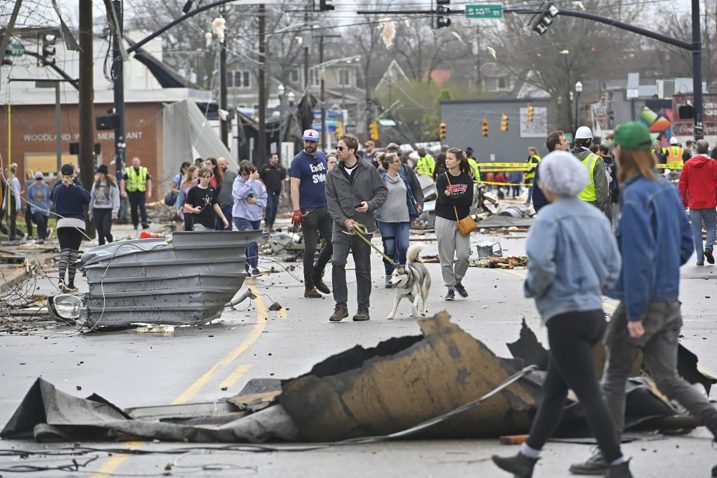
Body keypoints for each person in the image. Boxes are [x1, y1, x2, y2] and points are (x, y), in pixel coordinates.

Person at [571, 122, 717, 477]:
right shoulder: (663, 189)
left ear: (623, 153)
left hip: (643, 302)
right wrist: (665, 271)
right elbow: (685, 241)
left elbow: (636, 261)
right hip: (668, 298)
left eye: (616, 149)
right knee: (668, 378)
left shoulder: (635, 195)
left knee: (615, 374)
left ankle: (608, 453)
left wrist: (634, 312)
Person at [492, 151, 631, 478]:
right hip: (593, 313)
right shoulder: (597, 218)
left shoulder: (549, 219)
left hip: (564, 315)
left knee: (588, 393)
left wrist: (533, 288)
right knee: (554, 390)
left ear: (549, 184)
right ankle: (527, 458)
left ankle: (618, 464)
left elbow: (540, 264)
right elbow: (613, 267)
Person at [325, 134, 387, 322]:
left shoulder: (369, 170)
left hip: (364, 225)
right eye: (337, 148)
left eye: (341, 148)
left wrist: (370, 205)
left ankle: (363, 308)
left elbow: (382, 191)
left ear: (352, 151)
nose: (337, 151)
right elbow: (331, 202)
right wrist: (344, 221)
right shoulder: (332, 174)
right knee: (337, 263)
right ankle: (340, 307)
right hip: (341, 227)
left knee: (362, 267)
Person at [290, 129, 333, 298]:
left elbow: (327, 180)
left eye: (312, 142)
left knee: (333, 242)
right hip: (308, 210)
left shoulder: (322, 156)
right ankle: (309, 287)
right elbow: (294, 186)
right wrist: (296, 210)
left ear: (317, 142)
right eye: (306, 141)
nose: (309, 145)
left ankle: (317, 273)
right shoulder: (298, 161)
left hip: (324, 208)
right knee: (310, 248)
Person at [375, 152, 419, 288]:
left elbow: (409, 198)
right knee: (389, 249)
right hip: (385, 220)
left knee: (404, 246)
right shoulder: (381, 179)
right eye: (396, 161)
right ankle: (389, 274)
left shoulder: (403, 178)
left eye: (399, 161)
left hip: (403, 219)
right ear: (390, 165)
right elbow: (375, 198)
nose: (399, 163)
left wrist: (413, 215)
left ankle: (401, 274)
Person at [435, 148, 474, 301]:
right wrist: (457, 198)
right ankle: (450, 288)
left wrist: (451, 196)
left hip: (463, 220)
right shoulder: (442, 179)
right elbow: (443, 201)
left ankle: (457, 280)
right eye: (446, 158)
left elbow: (468, 201)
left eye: (450, 158)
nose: (447, 161)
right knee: (447, 258)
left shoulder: (466, 179)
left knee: (464, 255)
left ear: (458, 161)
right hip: (444, 220)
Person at [51, 164, 90, 292]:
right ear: (74, 174)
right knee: (73, 254)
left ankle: (61, 280)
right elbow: (87, 198)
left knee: (64, 252)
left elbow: (52, 197)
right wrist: (76, 181)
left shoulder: (57, 189)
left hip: (62, 223)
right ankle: (71, 284)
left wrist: (60, 180)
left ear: (61, 175)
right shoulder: (78, 189)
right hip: (77, 223)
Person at [678, 139, 717, 266]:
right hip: (710, 202)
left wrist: (683, 202)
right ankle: (709, 247)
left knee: (696, 231)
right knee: (711, 227)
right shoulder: (713, 164)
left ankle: (700, 259)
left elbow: (682, 186)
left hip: (694, 203)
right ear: (707, 150)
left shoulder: (688, 164)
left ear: (695, 150)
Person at [233, 163, 268, 277]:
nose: (246, 177)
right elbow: (239, 194)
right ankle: (254, 267)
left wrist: (256, 201)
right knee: (251, 239)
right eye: (244, 175)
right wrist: (250, 181)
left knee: (250, 242)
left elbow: (264, 202)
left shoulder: (258, 185)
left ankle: (246, 266)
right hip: (241, 216)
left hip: (255, 217)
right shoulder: (238, 182)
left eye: (249, 175)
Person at [572, 126, 610, 217]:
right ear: (589, 141)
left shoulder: (567, 157)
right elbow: (602, 188)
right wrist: (602, 207)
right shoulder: (596, 159)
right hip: (591, 206)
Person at [184, 166, 229, 231]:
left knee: (209, 240)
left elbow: (215, 204)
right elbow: (186, 204)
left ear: (210, 178)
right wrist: (193, 209)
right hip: (198, 221)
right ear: (199, 177)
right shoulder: (193, 190)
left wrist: (223, 218)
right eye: (203, 177)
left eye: (208, 177)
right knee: (200, 238)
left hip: (211, 221)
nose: (206, 179)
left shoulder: (212, 189)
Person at [385, 143, 425, 212]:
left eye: (393, 153)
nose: (390, 157)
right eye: (389, 154)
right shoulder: (381, 172)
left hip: (407, 210)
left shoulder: (407, 170)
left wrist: (420, 203)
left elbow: (416, 188)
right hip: (388, 213)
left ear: (399, 156)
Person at [90, 164, 120, 245]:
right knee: (100, 234)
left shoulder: (112, 184)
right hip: (97, 210)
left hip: (108, 210)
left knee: (106, 231)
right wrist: (90, 211)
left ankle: (111, 244)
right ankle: (101, 250)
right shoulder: (95, 184)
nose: (99, 175)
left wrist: (115, 212)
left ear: (104, 174)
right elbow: (92, 197)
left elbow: (116, 198)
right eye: (98, 174)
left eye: (100, 174)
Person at [120, 156, 152, 231]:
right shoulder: (129, 170)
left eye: (137, 161)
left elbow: (148, 181)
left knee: (142, 206)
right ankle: (135, 224)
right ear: (132, 162)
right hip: (132, 192)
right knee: (133, 208)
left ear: (139, 162)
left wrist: (149, 191)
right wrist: (122, 190)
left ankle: (144, 222)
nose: (135, 163)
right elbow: (122, 180)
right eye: (134, 162)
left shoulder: (144, 170)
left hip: (141, 191)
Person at [259, 153, 286, 232]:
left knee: (274, 209)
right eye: (275, 158)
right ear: (270, 159)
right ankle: (267, 224)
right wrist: (263, 186)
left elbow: (282, 180)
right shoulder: (265, 167)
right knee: (269, 207)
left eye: (277, 158)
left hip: (276, 192)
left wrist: (283, 191)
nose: (276, 159)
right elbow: (260, 178)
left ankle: (271, 225)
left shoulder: (280, 168)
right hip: (268, 192)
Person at [26, 172, 51, 243]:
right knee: (40, 220)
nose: (39, 181)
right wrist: (32, 205)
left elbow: (49, 197)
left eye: (40, 179)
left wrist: (49, 205)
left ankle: (43, 238)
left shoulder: (46, 187)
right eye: (37, 179)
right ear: (35, 179)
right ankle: (40, 237)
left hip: (45, 209)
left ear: (42, 179)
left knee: (44, 224)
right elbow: (28, 198)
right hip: (36, 209)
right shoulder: (31, 188)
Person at [215, 157, 237, 230]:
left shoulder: (233, 175)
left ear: (226, 164)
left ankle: (228, 240)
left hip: (228, 204)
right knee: (218, 226)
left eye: (222, 164)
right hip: (216, 205)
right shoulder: (213, 175)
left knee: (227, 225)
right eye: (219, 165)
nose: (221, 166)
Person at [4, 164, 24, 240]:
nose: (5, 173)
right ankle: (16, 234)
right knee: (8, 220)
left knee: (12, 220)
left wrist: (18, 205)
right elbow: (6, 194)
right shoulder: (8, 180)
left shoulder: (14, 180)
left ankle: (13, 236)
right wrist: (4, 205)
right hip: (9, 201)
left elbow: (16, 193)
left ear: (11, 171)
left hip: (13, 201)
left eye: (7, 171)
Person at [177, 165, 198, 231]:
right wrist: (179, 208)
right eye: (197, 171)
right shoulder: (184, 183)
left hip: (197, 207)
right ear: (191, 172)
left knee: (196, 226)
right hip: (187, 208)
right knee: (188, 226)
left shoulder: (199, 181)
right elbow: (181, 197)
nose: (198, 173)